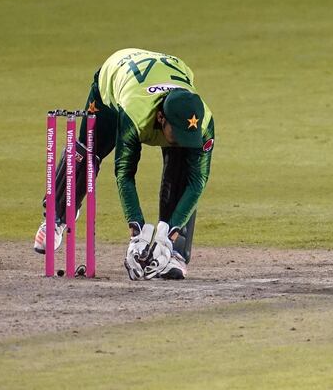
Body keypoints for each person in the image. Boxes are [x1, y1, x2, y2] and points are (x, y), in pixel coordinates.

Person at [33, 48, 215, 280]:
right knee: (89, 151)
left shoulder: (204, 121)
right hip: (116, 80)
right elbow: (124, 173)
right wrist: (136, 228)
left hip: (166, 75)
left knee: (183, 166)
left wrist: (169, 232)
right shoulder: (135, 112)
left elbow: (197, 181)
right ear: (161, 119)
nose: (183, 140)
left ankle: (173, 252)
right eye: (176, 133)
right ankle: (57, 217)